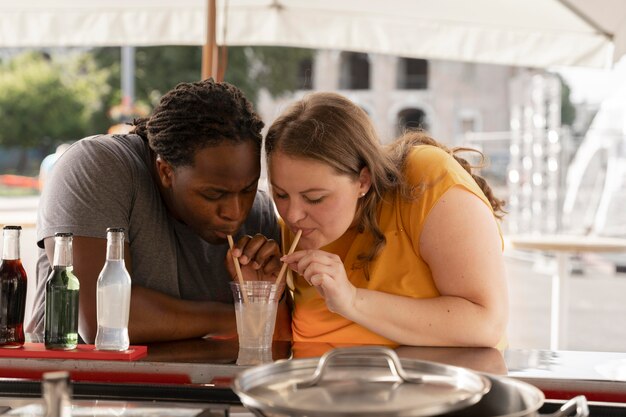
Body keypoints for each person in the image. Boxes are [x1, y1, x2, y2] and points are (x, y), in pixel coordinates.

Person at [27, 79, 285, 344]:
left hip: (210, 385)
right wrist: (246, 315)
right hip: (79, 384)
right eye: (213, 194)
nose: (235, 212)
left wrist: (261, 298)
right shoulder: (97, 167)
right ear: (165, 171)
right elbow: (105, 320)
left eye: (248, 189)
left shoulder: (260, 215)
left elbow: (282, 336)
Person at [264, 92, 508, 348]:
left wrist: (353, 300)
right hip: (319, 385)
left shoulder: (426, 179)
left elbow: (486, 323)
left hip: (432, 384)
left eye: (314, 198)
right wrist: (270, 294)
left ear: (363, 181)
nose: (291, 215)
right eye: (280, 194)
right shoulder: (297, 229)